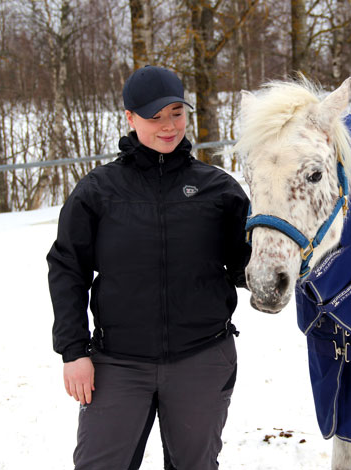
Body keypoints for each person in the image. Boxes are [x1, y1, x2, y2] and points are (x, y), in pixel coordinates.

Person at [47, 65, 251, 470]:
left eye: (176, 113)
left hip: (202, 356)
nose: (168, 126)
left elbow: (245, 267)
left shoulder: (219, 189)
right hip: (117, 363)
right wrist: (73, 351)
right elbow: (67, 268)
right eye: (154, 117)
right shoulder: (99, 191)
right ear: (129, 119)